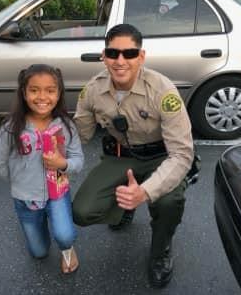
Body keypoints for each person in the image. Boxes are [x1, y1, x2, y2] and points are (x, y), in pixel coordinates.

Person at [72, 24, 194, 288]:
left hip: (162, 158)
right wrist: (49, 149)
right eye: (112, 53)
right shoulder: (93, 89)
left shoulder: (163, 91)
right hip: (120, 158)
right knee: (81, 212)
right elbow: (77, 136)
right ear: (103, 55)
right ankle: (123, 208)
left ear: (141, 56)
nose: (120, 61)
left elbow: (182, 154)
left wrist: (146, 192)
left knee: (167, 203)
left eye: (129, 53)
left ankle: (160, 250)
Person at [0, 64, 84, 274]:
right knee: (39, 251)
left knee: (65, 235)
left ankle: (68, 249)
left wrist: (63, 164)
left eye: (50, 90)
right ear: (24, 93)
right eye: (34, 90)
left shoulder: (66, 126)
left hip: (57, 192)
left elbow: (78, 159)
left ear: (59, 94)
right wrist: (18, 180)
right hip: (26, 198)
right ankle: (43, 233)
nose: (42, 97)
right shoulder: (12, 127)